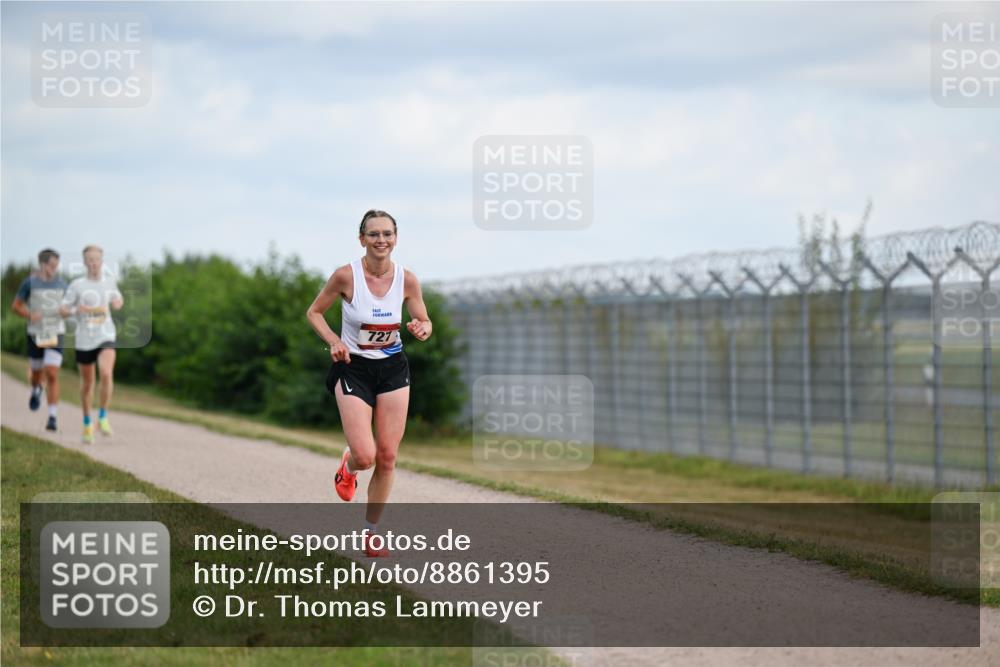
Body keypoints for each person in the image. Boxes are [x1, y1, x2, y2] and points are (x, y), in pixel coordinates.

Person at [306, 209, 432, 558]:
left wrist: (423, 328)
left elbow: (423, 318)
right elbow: (314, 312)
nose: (381, 240)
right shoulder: (346, 276)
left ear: (396, 237)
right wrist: (334, 340)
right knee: (366, 456)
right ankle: (349, 466)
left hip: (393, 369)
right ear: (361, 239)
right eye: (373, 234)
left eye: (387, 234)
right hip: (353, 369)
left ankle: (371, 533)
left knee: (388, 456)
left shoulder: (407, 280)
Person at [60, 245, 124, 444]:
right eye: (90, 260)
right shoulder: (77, 285)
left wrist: (117, 303)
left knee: (106, 373)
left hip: (106, 335)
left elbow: (118, 299)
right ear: (85, 262)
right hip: (84, 338)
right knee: (88, 384)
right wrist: (74, 311)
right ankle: (87, 423)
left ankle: (103, 417)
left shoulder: (109, 282)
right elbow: (62, 310)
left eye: (97, 259)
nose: (94, 263)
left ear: (101, 261)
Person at [11, 248, 68, 431]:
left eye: (57, 265)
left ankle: (52, 417)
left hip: (55, 333)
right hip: (35, 333)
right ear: (42, 264)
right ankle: (36, 388)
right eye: (52, 265)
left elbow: (69, 308)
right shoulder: (29, 283)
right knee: (36, 373)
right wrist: (29, 315)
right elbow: (16, 306)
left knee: (51, 373)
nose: (55, 268)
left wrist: (66, 311)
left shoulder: (62, 284)